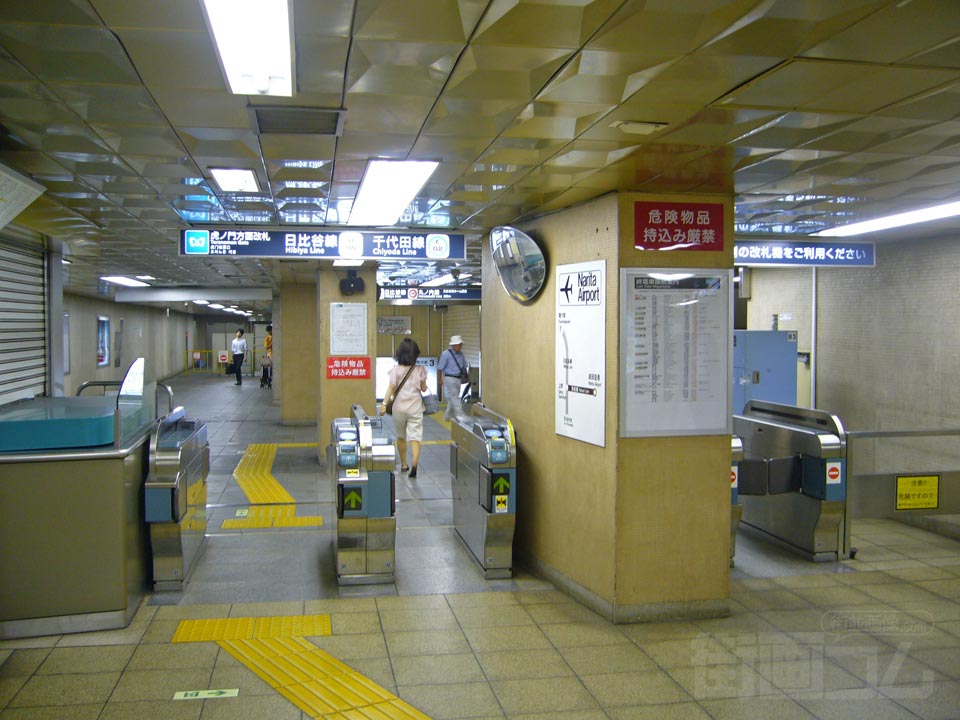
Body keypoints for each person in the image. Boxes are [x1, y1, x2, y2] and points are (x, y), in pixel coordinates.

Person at [380, 338, 428, 477]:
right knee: (415, 438)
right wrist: (422, 383)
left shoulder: (395, 370)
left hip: (399, 409)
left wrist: (383, 404)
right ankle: (414, 464)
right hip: (415, 408)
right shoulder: (420, 370)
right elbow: (424, 389)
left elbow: (391, 388)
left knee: (401, 436)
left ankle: (404, 464)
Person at [438, 335, 468, 421]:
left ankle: (447, 415)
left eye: (461, 344)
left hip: (458, 378)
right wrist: (440, 379)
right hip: (449, 378)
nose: (460, 346)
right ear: (453, 345)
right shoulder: (445, 354)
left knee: (453, 397)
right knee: (455, 396)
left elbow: (464, 366)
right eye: (459, 344)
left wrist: (466, 376)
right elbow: (440, 368)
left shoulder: (461, 354)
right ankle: (460, 415)